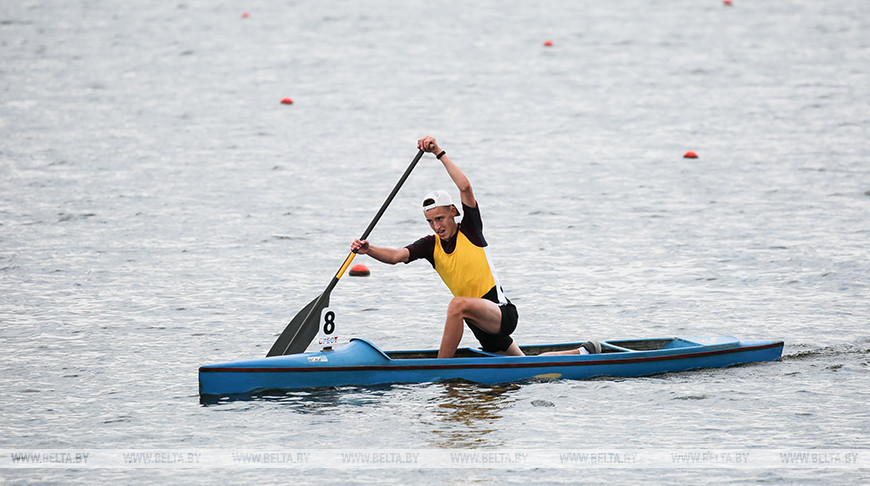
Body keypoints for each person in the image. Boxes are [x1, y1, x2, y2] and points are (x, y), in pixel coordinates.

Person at [351, 136, 523, 359]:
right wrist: (369, 249)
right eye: (430, 221)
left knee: (456, 305)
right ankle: (581, 352)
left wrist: (439, 153)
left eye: (440, 218)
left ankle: (441, 367)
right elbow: (396, 256)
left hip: (500, 313)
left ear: (453, 211)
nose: (436, 226)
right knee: (524, 365)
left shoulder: (470, 229)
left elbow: (465, 186)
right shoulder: (431, 245)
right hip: (479, 324)